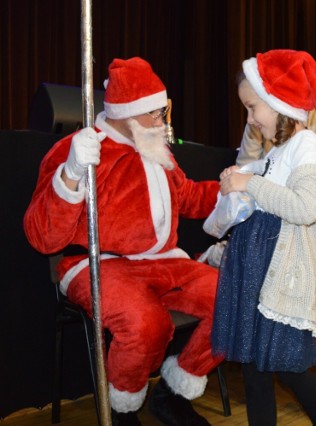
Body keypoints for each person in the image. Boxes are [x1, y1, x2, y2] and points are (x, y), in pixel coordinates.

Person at [23, 57, 221, 425]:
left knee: (232, 299)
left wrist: (230, 190)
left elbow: (188, 197)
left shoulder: (154, 148)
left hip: (163, 260)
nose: (164, 122)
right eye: (157, 114)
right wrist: (69, 175)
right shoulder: (79, 150)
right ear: (128, 114)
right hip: (97, 263)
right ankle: (123, 408)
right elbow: (42, 237)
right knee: (146, 323)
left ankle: (173, 394)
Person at [210, 49, 316, 426]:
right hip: (257, 272)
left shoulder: (305, 145)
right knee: (256, 368)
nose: (251, 118)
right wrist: (242, 175)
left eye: (254, 107)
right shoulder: (282, 148)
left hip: (275, 275)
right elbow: (269, 175)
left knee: (287, 369)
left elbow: (307, 206)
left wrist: (249, 182)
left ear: (279, 103)